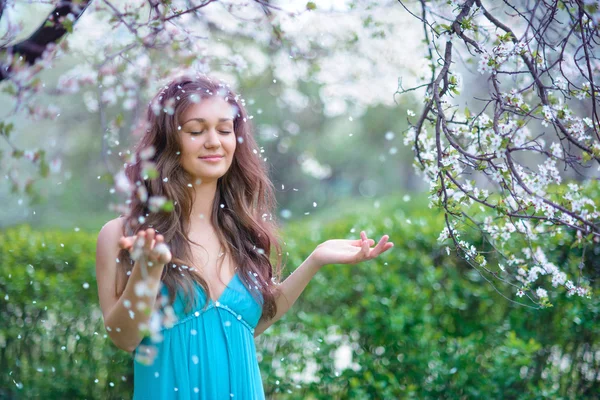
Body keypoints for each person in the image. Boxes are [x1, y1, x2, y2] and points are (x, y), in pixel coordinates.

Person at [95, 74, 394, 399]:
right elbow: (124, 339)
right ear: (170, 140)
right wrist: (148, 270)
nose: (214, 141)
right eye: (196, 130)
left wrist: (315, 261)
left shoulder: (243, 231)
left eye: (224, 130)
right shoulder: (126, 234)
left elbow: (249, 322)